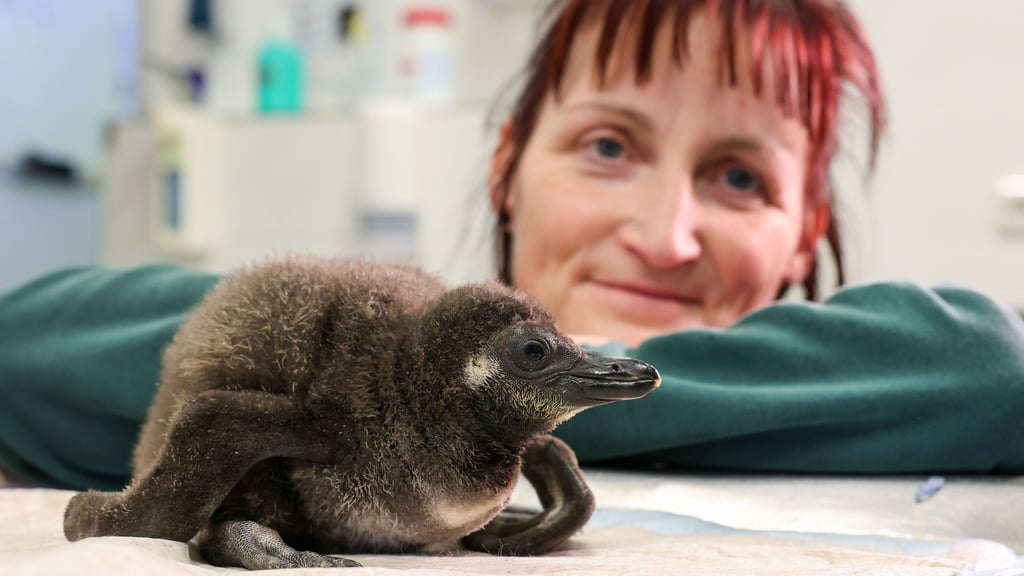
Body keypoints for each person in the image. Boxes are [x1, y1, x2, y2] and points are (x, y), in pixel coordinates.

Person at [1, 0, 1022, 492]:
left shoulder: (884, 402)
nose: (665, 235)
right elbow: (22, 354)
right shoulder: (358, 347)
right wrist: (439, 376)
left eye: (739, 177)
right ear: (508, 166)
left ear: (803, 234)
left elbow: (988, 366)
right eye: (609, 145)